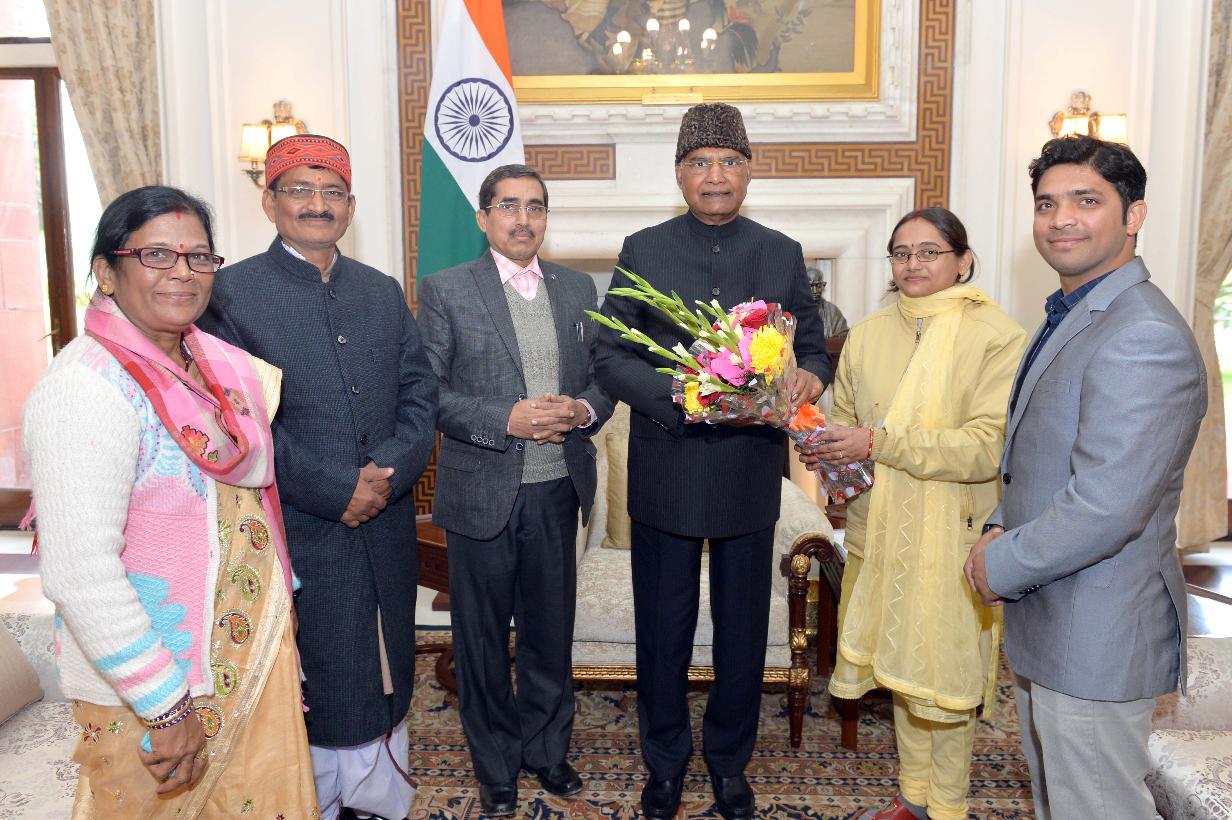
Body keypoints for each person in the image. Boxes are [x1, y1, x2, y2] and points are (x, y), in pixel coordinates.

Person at [23, 186, 318, 817]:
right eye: (156, 254)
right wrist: (165, 703)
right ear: (107, 272)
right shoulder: (85, 388)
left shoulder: (219, 371)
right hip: (158, 687)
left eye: (198, 256)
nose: (182, 272)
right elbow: (79, 572)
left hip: (244, 655)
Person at [594, 102, 830, 820]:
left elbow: (812, 345)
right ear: (679, 173)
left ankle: (729, 763)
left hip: (747, 473)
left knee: (742, 633)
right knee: (661, 632)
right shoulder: (644, 248)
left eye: (729, 161)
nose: (715, 176)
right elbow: (610, 354)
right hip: (666, 468)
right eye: (700, 162)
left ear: (749, 171)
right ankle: (664, 764)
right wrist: (680, 397)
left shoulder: (780, 252)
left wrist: (810, 376)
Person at [964, 135, 1207, 819]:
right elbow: (1038, 456)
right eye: (1047, 204)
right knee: (1060, 804)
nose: (1061, 219)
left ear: (1134, 216)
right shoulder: (1076, 312)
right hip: (1058, 616)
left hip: (1098, 628)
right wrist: (999, 525)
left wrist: (998, 563)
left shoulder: (1142, 334)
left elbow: (1107, 506)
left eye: (1086, 201)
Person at [197, 135, 438, 820]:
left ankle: (380, 797)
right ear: (269, 201)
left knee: (389, 659)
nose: (317, 204)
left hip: (385, 518)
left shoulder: (380, 291)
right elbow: (235, 419)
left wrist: (387, 475)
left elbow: (419, 393)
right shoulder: (229, 295)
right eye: (300, 189)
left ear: (351, 207)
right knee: (320, 673)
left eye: (332, 192)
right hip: (298, 524)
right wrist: (336, 489)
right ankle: (316, 801)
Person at [801, 208, 1027, 820]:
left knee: (945, 679)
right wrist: (825, 449)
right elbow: (845, 422)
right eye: (901, 253)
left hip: (954, 534)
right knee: (902, 666)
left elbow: (987, 448)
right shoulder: (870, 333)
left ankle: (947, 805)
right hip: (879, 530)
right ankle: (913, 796)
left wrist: (877, 443)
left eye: (929, 252)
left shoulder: (996, 335)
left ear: (963, 260)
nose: (913, 264)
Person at [417, 164, 613, 817]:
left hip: (558, 489)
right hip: (481, 493)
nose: (523, 219)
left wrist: (581, 410)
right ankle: (496, 765)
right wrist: (507, 418)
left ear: (546, 217)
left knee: (550, 634)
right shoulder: (446, 289)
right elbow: (428, 393)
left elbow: (604, 380)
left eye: (535, 206)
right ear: (483, 218)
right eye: (508, 206)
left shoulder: (577, 287)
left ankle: (547, 751)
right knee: (479, 641)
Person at [806, 265, 849, 338]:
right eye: (811, 286)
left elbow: (843, 336)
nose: (815, 291)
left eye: (818, 285)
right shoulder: (795, 311)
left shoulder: (833, 311)